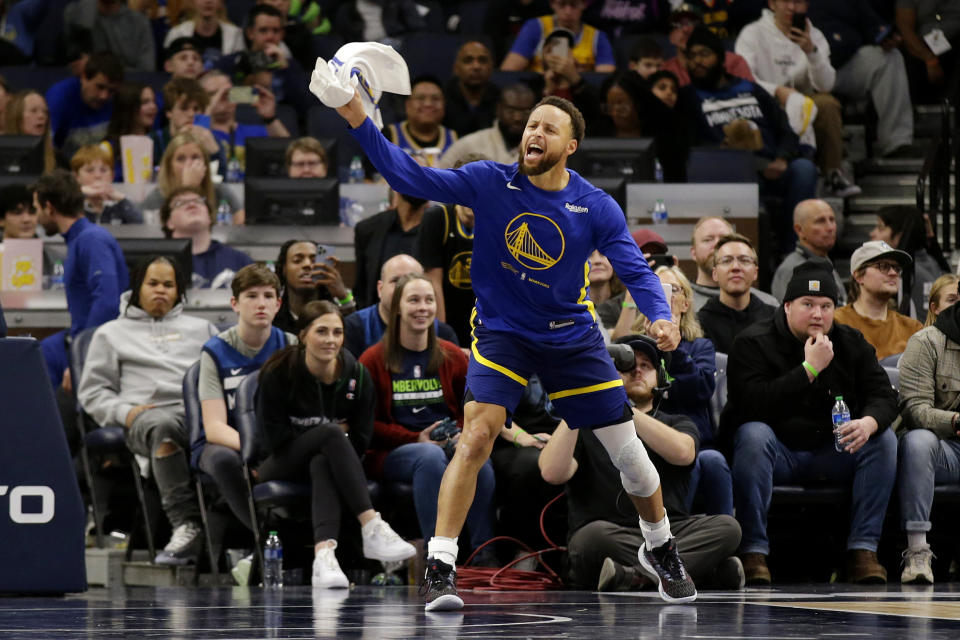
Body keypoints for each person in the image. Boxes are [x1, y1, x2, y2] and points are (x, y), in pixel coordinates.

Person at [331, 87, 695, 609]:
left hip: (570, 337)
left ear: (571, 147)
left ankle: (660, 548)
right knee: (476, 435)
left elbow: (635, 269)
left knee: (630, 458)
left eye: (549, 128)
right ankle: (440, 564)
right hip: (503, 333)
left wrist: (661, 315)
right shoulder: (489, 180)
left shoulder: (595, 205)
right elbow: (409, 176)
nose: (534, 133)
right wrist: (358, 118)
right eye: (531, 125)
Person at [721, 261, 898, 585]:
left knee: (883, 440)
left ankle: (863, 550)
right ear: (787, 306)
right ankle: (753, 552)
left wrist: (869, 423)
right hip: (779, 454)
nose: (818, 314)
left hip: (835, 449)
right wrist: (808, 370)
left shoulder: (850, 341)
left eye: (826, 306)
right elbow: (750, 405)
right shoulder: (753, 342)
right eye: (808, 305)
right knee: (753, 434)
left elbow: (883, 395)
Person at [539, 334, 743, 591]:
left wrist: (620, 408)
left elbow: (683, 453)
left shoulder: (676, 422)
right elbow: (551, 472)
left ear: (659, 377)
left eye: (646, 366)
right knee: (592, 538)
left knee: (728, 528)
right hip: (610, 534)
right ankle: (700, 573)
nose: (636, 370)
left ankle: (634, 577)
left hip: (666, 534)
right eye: (626, 366)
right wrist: (580, 403)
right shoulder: (585, 424)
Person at [256, 299, 416, 587]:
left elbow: (359, 443)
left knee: (323, 461)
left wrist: (323, 445)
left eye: (337, 332)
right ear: (303, 335)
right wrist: (323, 436)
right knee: (330, 434)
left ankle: (324, 558)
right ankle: (371, 524)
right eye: (321, 331)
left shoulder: (357, 376)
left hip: (332, 463)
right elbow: (273, 440)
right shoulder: (279, 372)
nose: (331, 340)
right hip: (279, 462)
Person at [78, 255, 219, 565]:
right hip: (144, 418)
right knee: (163, 426)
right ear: (138, 288)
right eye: (152, 283)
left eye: (168, 285)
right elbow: (92, 391)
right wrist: (124, 412)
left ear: (179, 291)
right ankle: (187, 523)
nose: (160, 291)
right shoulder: (111, 333)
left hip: (198, 416)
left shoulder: (203, 329)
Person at [358, 274, 494, 561]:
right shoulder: (372, 360)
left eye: (428, 300)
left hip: (447, 443)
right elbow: (367, 426)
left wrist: (459, 433)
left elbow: (469, 410)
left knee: (474, 454)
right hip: (393, 452)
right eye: (414, 300)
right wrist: (415, 438)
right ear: (397, 308)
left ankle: (483, 553)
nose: (423, 307)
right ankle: (439, 558)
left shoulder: (452, 356)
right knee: (429, 457)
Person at [680, 25, 818, 253]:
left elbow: (786, 130)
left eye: (704, 54)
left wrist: (783, 159)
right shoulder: (688, 97)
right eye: (692, 56)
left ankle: (793, 251)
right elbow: (692, 145)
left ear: (721, 58)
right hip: (729, 171)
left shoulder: (750, 89)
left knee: (804, 169)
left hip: (773, 166)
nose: (697, 61)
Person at [196, 264, 294, 539]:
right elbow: (214, 427)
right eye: (251, 296)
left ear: (278, 304)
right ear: (235, 304)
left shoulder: (290, 346)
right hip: (226, 442)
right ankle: (266, 537)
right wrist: (253, 451)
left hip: (276, 443)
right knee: (225, 461)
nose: (260, 304)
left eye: (267, 296)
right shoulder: (214, 351)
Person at [735, 0, 860, 197]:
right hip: (764, 102)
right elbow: (744, 78)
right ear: (772, 4)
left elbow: (826, 85)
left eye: (799, 2)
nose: (792, 8)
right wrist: (778, 91)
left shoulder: (815, 35)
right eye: (786, 1)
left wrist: (811, 52)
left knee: (827, 103)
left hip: (805, 103)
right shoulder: (752, 34)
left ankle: (832, 174)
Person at [34, 170, 129, 386]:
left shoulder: (91, 240)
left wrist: (83, 357)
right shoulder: (79, 240)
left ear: (49, 207)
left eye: (37, 209)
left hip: (98, 346)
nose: (36, 217)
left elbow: (107, 302)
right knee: (36, 353)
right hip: (80, 338)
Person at [897, 297, 960, 584]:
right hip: (944, 448)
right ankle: (917, 551)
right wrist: (955, 421)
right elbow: (915, 410)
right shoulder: (926, 342)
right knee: (918, 441)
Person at [807, 1, 916, 159]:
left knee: (889, 58)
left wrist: (884, 36)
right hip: (803, 66)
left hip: (843, 65)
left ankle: (897, 142)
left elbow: (872, 24)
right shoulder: (791, 5)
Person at [417, 160, 482, 346]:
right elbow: (433, 283)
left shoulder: (497, 221)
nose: (471, 196)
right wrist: (443, 341)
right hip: (447, 315)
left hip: (481, 321)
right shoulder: (437, 218)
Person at [344, 254, 459, 358]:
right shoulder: (353, 328)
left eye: (412, 280)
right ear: (380, 289)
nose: (403, 288)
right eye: (396, 280)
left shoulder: (444, 334)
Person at [834, 240, 923, 361]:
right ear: (859, 275)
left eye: (896, 268)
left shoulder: (912, 328)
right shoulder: (837, 322)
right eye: (883, 266)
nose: (893, 273)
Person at [198, 70, 290, 176]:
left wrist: (270, 118)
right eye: (213, 94)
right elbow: (195, 140)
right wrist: (209, 107)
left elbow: (290, 151)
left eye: (228, 93)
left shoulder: (255, 131)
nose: (221, 98)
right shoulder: (201, 131)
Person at [159, 185, 253, 288]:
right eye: (180, 203)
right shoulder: (158, 263)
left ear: (209, 217)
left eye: (198, 201)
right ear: (169, 222)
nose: (191, 204)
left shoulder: (240, 261)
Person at [698, 233, 775, 355]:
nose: (735, 267)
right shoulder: (699, 324)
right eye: (726, 261)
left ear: (755, 272)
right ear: (715, 274)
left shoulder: (774, 319)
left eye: (744, 260)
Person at [353, 189, 431, 310]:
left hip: (424, 318)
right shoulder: (368, 229)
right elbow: (362, 288)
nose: (418, 182)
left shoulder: (439, 228)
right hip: (378, 319)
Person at [870, 205, 948, 319]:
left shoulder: (901, 274)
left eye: (880, 228)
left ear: (900, 235)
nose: (872, 233)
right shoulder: (935, 263)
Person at [142, 131, 241, 218]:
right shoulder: (158, 196)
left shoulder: (220, 191)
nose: (189, 164)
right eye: (181, 159)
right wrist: (189, 187)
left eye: (195, 157)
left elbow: (242, 220)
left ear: (205, 164)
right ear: (170, 166)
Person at [689, 217, 778, 312]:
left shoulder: (768, 305)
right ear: (693, 253)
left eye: (724, 239)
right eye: (708, 240)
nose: (717, 244)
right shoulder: (682, 304)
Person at [500, 0, 616, 73]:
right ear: (552, 4)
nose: (568, 11)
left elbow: (604, 78)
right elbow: (509, 72)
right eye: (562, 4)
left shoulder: (597, 37)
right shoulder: (535, 27)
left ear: (583, 4)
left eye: (574, 5)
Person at [45, 52, 124, 157]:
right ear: (84, 77)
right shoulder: (59, 96)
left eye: (111, 91)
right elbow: (45, 148)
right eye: (100, 87)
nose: (104, 96)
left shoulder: (118, 99)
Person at [439, 84, 536, 168]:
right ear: (498, 109)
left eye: (525, 112)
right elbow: (440, 177)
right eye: (511, 110)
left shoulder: (541, 148)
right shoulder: (469, 144)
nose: (517, 118)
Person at [771, 199, 847, 304]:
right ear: (799, 230)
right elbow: (789, 317)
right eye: (820, 221)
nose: (830, 227)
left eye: (832, 220)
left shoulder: (823, 261)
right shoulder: (792, 270)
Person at [272, 238, 354, 334]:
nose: (307, 265)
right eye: (297, 260)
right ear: (283, 269)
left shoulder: (335, 315)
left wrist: (343, 296)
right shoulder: (272, 315)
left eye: (314, 260)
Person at [662, 3, 755, 87]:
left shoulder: (733, 61)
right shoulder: (665, 70)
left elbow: (751, 94)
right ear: (670, 36)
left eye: (693, 23)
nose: (686, 30)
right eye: (679, 25)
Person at [895, 0, 960, 103]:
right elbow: (905, 28)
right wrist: (929, 59)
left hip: (956, 37)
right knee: (899, 59)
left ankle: (951, 108)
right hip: (924, 45)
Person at [385, 76, 458, 168]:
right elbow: (369, 179)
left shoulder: (456, 139)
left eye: (435, 99)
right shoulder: (387, 137)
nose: (428, 104)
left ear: (444, 104)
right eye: (420, 98)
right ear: (407, 104)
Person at [64, 0, 155, 72]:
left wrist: (102, 71)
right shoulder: (76, 15)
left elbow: (146, 71)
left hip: (129, 88)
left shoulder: (140, 22)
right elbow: (73, 63)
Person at [149, 78, 221, 169]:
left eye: (196, 109)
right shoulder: (153, 141)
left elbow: (222, 179)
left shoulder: (210, 140)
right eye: (184, 108)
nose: (191, 114)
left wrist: (215, 153)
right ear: (169, 112)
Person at [163, 0, 245, 70]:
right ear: (193, 1)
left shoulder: (235, 34)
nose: (208, 1)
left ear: (221, 2)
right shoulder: (177, 33)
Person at [71, 144, 142, 224]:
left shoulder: (121, 204)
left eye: (103, 170)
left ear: (112, 176)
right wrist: (80, 193)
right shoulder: (72, 204)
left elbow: (140, 225)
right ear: (76, 176)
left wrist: (121, 199)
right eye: (90, 170)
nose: (97, 176)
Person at [444, 41, 500, 138]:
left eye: (482, 60)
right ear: (456, 68)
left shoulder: (501, 99)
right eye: (468, 60)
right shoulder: (443, 98)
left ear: (491, 67)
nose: (476, 66)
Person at [103, 83, 159, 180]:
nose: (153, 106)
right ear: (128, 107)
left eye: (154, 101)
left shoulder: (158, 141)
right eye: (145, 102)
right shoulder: (107, 149)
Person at [4, 89, 58, 173]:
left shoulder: (58, 160)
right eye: (34, 111)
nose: (41, 116)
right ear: (17, 117)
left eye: (45, 112)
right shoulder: (3, 156)